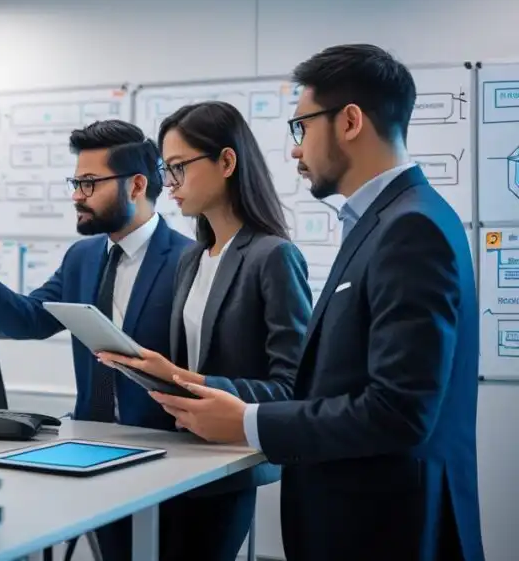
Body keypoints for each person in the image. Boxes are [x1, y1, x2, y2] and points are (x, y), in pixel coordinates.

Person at [155, 45, 484, 561]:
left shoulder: (411, 227)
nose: (294, 150)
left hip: (386, 529)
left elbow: (399, 412)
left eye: (301, 128)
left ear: (349, 121)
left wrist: (248, 422)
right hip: (362, 519)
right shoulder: (388, 221)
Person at [0, 119, 192, 560]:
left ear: (137, 184)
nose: (76, 196)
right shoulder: (82, 256)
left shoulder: (188, 258)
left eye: (88, 183)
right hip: (93, 450)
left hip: (169, 459)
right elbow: (32, 319)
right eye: (76, 182)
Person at [96, 101, 311, 561]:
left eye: (178, 169)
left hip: (227, 468)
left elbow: (294, 387)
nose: (168, 185)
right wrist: (158, 372)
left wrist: (190, 381)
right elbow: (187, 367)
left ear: (227, 162)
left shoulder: (272, 256)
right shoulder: (193, 258)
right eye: (164, 171)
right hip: (179, 459)